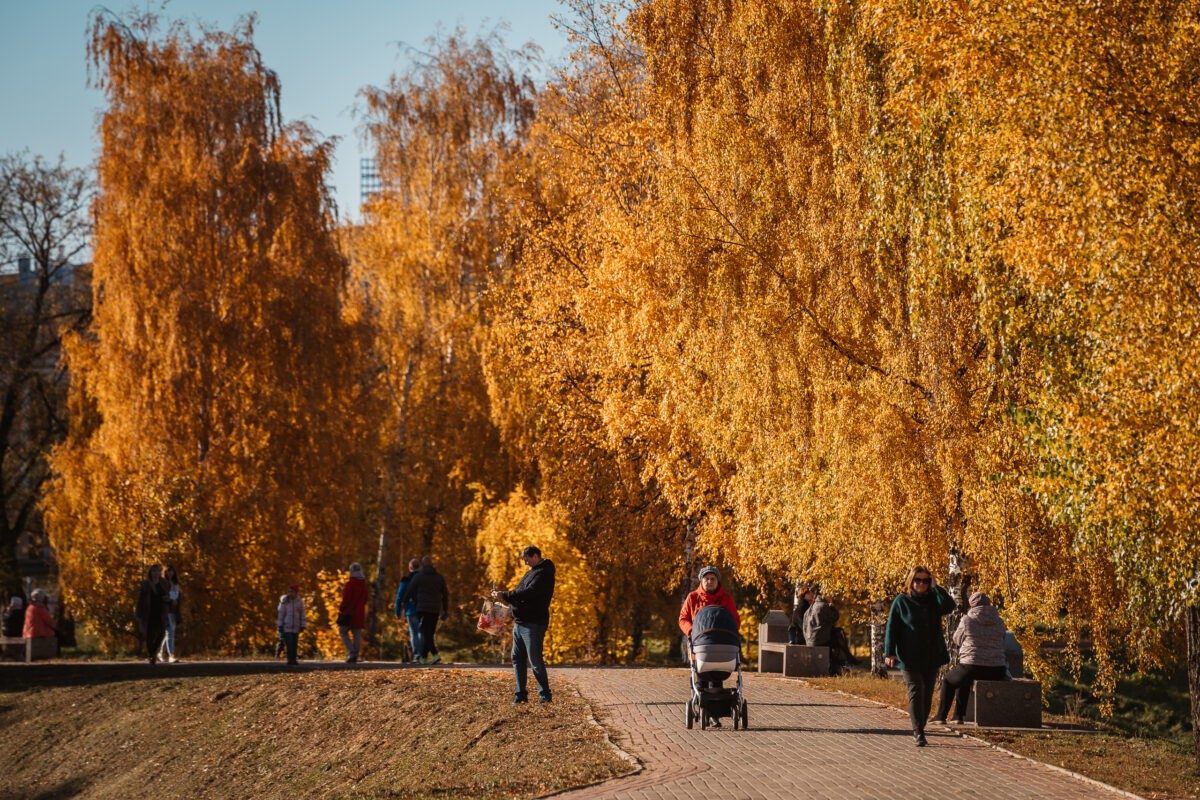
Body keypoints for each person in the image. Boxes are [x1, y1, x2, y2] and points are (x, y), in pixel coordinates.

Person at [884, 565, 956, 747]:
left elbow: (950, 606)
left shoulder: (933, 599)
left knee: (927, 694)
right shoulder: (901, 601)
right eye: (918, 580)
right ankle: (918, 732)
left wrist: (937, 587)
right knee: (915, 691)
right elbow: (892, 627)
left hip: (931, 655)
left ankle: (921, 724)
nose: (921, 584)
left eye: (925, 580)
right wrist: (889, 652)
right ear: (911, 581)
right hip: (908, 656)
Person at [491, 545, 556, 704]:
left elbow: (529, 593)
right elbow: (519, 591)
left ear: (535, 556)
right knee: (517, 658)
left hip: (533, 623)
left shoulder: (544, 573)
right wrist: (504, 596)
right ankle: (521, 695)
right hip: (520, 623)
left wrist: (505, 595)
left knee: (535, 660)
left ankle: (545, 695)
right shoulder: (531, 572)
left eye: (526, 559)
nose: (525, 563)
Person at [933, 591, 1009, 724]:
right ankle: (957, 717)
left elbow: (956, 639)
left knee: (949, 681)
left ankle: (941, 716)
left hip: (972, 666)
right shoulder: (999, 621)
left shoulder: (967, 619)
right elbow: (1003, 640)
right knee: (963, 680)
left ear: (972, 605)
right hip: (997, 670)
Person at [400, 556, 450, 664]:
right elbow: (445, 594)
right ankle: (423, 657)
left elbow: (410, 589)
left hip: (422, 608)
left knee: (424, 632)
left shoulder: (419, 577)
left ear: (422, 565)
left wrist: (404, 602)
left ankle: (434, 654)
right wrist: (445, 609)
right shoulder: (439, 577)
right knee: (429, 633)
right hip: (435, 609)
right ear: (432, 564)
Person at [679, 566, 740, 638]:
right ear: (701, 581)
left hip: (722, 641)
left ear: (717, 581)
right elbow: (683, 619)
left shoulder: (727, 599)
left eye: (713, 579)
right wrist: (691, 631)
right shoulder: (692, 597)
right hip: (698, 642)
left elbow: (735, 621)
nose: (710, 581)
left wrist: (728, 633)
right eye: (706, 579)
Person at [135, 565, 169, 665]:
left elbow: (168, 595)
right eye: (153, 571)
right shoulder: (145, 584)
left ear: (160, 573)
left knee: (161, 633)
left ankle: (153, 652)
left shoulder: (164, 584)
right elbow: (140, 599)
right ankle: (152, 655)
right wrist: (139, 612)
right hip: (148, 612)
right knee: (150, 635)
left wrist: (167, 599)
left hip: (161, 612)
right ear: (150, 573)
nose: (155, 573)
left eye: (157, 571)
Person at [338, 562, 370, 664]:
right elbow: (365, 599)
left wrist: (342, 608)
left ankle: (351, 652)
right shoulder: (364, 585)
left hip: (349, 612)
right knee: (357, 634)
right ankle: (355, 654)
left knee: (342, 631)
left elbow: (346, 599)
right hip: (359, 612)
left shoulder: (350, 584)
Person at [394, 557, 423, 663]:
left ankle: (417, 655)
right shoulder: (423, 579)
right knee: (421, 632)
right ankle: (422, 655)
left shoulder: (406, 579)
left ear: (410, 567)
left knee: (414, 633)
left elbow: (399, 596)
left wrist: (397, 611)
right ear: (419, 567)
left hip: (410, 609)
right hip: (423, 609)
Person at [277, 583, 307, 666]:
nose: (290, 593)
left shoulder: (299, 602)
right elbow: (281, 614)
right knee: (289, 644)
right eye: (289, 592)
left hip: (296, 627)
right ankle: (290, 659)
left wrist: (303, 624)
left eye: (292, 592)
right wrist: (280, 625)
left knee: (294, 644)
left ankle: (294, 659)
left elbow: (302, 614)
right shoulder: (285, 602)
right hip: (287, 627)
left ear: (296, 593)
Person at [157, 565, 182, 663]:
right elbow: (162, 597)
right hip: (166, 611)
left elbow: (178, 597)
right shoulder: (162, 583)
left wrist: (177, 603)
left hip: (174, 611)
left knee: (169, 633)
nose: (170, 573)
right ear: (165, 572)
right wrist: (171, 600)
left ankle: (160, 653)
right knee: (170, 633)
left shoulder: (176, 584)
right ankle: (171, 655)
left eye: (171, 571)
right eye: (168, 571)